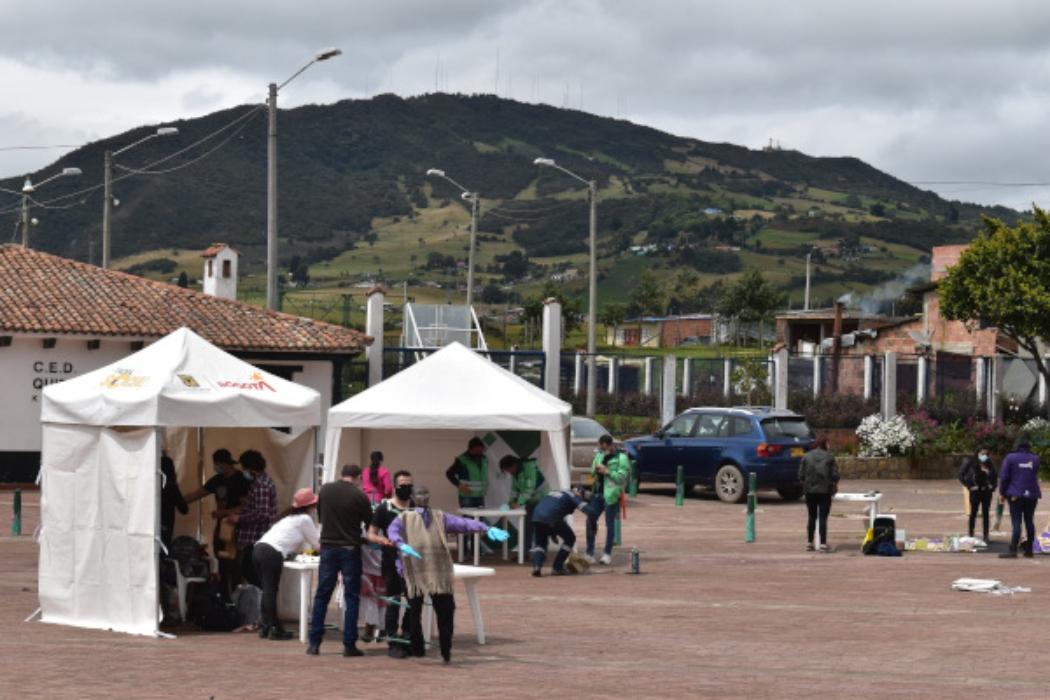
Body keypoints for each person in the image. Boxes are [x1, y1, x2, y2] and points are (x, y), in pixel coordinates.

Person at [386, 485, 507, 664]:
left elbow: (463, 524)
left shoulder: (439, 517)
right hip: (414, 573)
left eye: (425, 495)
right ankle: (418, 647)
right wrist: (399, 543)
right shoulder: (404, 518)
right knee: (414, 612)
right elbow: (392, 532)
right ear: (413, 498)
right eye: (420, 496)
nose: (423, 499)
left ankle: (445, 649)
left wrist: (484, 528)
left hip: (438, 572)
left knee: (445, 611)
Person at [307, 464, 374, 657]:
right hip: (350, 548)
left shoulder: (325, 489)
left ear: (342, 474)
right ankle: (349, 644)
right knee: (351, 597)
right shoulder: (360, 496)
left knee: (322, 594)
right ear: (359, 477)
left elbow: (320, 517)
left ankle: (314, 643)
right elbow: (370, 524)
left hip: (328, 546)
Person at [252, 488, 320, 641]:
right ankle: (275, 628)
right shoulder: (304, 519)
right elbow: (317, 545)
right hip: (271, 553)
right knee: (270, 591)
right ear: (309, 506)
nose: (315, 508)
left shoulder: (288, 517)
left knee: (266, 590)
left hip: (258, 549)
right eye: (314, 505)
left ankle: (267, 626)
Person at [184, 448, 251, 598]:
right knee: (221, 561)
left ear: (223, 463)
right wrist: (177, 500)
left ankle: (236, 598)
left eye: (217, 464)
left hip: (237, 528)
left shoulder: (240, 480)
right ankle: (223, 598)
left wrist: (224, 513)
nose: (216, 467)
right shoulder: (217, 479)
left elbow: (245, 506)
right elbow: (196, 494)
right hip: (222, 528)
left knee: (235, 564)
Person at [367, 470, 415, 658]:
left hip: (413, 562)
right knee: (394, 601)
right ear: (395, 487)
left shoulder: (415, 507)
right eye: (403, 485)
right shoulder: (384, 508)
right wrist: (382, 541)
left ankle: (408, 637)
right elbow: (371, 533)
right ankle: (393, 642)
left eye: (409, 485)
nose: (406, 488)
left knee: (413, 602)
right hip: (391, 560)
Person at [229, 449, 277, 587]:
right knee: (250, 571)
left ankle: (259, 605)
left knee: (252, 573)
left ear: (251, 468)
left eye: (244, 468)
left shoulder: (261, 485)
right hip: (257, 538)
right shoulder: (261, 482)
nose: (243, 471)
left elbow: (262, 513)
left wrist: (239, 518)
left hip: (258, 537)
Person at [584, 435, 630, 565]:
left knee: (610, 526)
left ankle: (607, 554)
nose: (602, 450)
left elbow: (622, 478)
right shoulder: (599, 455)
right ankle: (589, 552)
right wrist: (595, 469)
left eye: (604, 448)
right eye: (600, 447)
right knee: (590, 521)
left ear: (610, 445)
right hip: (597, 494)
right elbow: (591, 472)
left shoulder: (622, 458)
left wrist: (607, 471)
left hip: (612, 496)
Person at [531, 485, 590, 577]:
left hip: (536, 517)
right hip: (552, 518)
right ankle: (557, 568)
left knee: (540, 544)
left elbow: (551, 510)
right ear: (579, 493)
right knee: (570, 538)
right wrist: (594, 526)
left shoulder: (555, 492)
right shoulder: (573, 496)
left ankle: (537, 567)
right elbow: (590, 512)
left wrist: (553, 534)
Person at [998, 439, 1041, 559]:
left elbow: (1005, 477)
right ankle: (1029, 550)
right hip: (1032, 494)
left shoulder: (1010, 458)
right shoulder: (1035, 458)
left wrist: (1002, 493)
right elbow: (1034, 474)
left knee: (1017, 522)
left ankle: (1013, 550)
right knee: (1029, 521)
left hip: (1015, 494)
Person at [499, 454, 550, 553]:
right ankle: (525, 552)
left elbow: (528, 490)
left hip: (542, 499)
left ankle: (541, 552)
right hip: (531, 500)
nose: (509, 473)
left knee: (540, 526)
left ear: (513, 465)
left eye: (508, 470)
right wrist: (511, 502)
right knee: (527, 527)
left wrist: (518, 503)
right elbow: (514, 490)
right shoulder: (515, 473)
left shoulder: (529, 468)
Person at [799, 437, 839, 551]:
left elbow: (801, 474)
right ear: (825, 444)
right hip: (824, 491)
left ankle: (810, 543)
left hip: (809, 491)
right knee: (822, 517)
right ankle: (823, 543)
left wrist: (805, 485)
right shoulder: (829, 457)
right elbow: (835, 475)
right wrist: (834, 484)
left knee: (811, 516)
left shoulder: (806, 456)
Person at [958, 446, 998, 542]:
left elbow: (995, 477)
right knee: (973, 513)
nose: (984, 456)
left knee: (986, 513)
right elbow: (961, 474)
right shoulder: (971, 463)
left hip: (986, 492)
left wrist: (992, 486)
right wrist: (969, 485)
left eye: (986, 454)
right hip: (975, 491)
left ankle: (986, 535)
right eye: (982, 454)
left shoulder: (989, 464)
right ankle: (971, 533)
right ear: (977, 453)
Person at [446, 437, 489, 508]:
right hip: (467, 496)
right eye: (478, 450)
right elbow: (449, 473)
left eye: (481, 450)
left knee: (480, 518)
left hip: (480, 496)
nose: (480, 452)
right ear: (471, 449)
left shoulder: (484, 459)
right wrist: (459, 485)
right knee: (468, 518)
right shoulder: (462, 460)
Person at [160, 450, 188, 552]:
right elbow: (184, 509)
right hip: (166, 524)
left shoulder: (150, 485)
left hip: (149, 526)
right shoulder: (171, 486)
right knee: (164, 550)